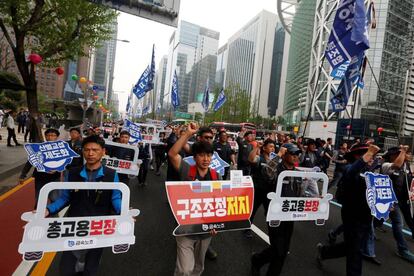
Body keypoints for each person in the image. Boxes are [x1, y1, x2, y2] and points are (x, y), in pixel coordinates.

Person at [46, 135, 123, 276]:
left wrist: (124, 212)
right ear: (83, 151)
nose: (90, 153)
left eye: (95, 150)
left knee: (91, 268)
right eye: (87, 150)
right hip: (74, 225)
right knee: (66, 268)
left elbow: (116, 198)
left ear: (103, 151)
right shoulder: (73, 172)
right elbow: (64, 197)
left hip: (99, 226)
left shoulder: (111, 174)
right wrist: (47, 210)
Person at [316, 143, 380, 276]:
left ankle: (324, 252)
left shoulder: (370, 173)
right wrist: (368, 154)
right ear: (358, 156)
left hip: (366, 216)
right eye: (368, 154)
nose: (372, 157)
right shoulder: (349, 168)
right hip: (352, 215)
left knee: (352, 247)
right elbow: (352, 172)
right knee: (356, 252)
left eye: (372, 155)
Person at [168, 122, 219, 276]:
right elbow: (172, 154)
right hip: (186, 228)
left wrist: (217, 224)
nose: (206, 159)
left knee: (198, 267)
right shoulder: (186, 170)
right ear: (195, 157)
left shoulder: (217, 176)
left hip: (206, 231)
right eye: (202, 155)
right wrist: (188, 133)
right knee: (185, 269)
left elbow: (219, 202)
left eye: (209, 155)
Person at [251, 143, 302, 276]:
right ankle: (260, 264)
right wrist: (278, 155)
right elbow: (266, 172)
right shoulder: (277, 169)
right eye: (292, 153)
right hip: (275, 214)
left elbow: (300, 193)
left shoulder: (297, 173)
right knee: (279, 249)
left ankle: (257, 260)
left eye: (297, 154)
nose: (295, 156)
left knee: (282, 250)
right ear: (285, 154)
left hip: (290, 214)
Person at [381, 146, 414, 262]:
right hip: (389, 200)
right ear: (393, 156)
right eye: (399, 154)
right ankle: (403, 249)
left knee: (374, 220)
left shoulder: (406, 166)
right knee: (398, 223)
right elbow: (397, 165)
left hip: (403, 200)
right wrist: (403, 151)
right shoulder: (386, 166)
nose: (404, 155)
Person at [19, 128, 61, 205]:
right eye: (48, 135)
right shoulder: (39, 148)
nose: (50, 137)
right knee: (39, 198)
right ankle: (38, 213)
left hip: (54, 177)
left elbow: (66, 163)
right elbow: (30, 162)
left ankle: (53, 214)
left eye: (53, 135)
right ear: (45, 136)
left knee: (54, 198)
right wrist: (23, 175)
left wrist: (57, 169)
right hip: (40, 177)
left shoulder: (61, 150)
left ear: (57, 137)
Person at [244, 139, 276, 239]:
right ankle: (247, 229)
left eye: (273, 147)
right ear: (264, 147)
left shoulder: (274, 159)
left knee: (269, 212)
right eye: (270, 146)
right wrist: (256, 147)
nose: (272, 148)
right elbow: (250, 159)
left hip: (269, 191)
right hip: (258, 189)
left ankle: (272, 233)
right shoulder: (259, 158)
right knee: (252, 211)